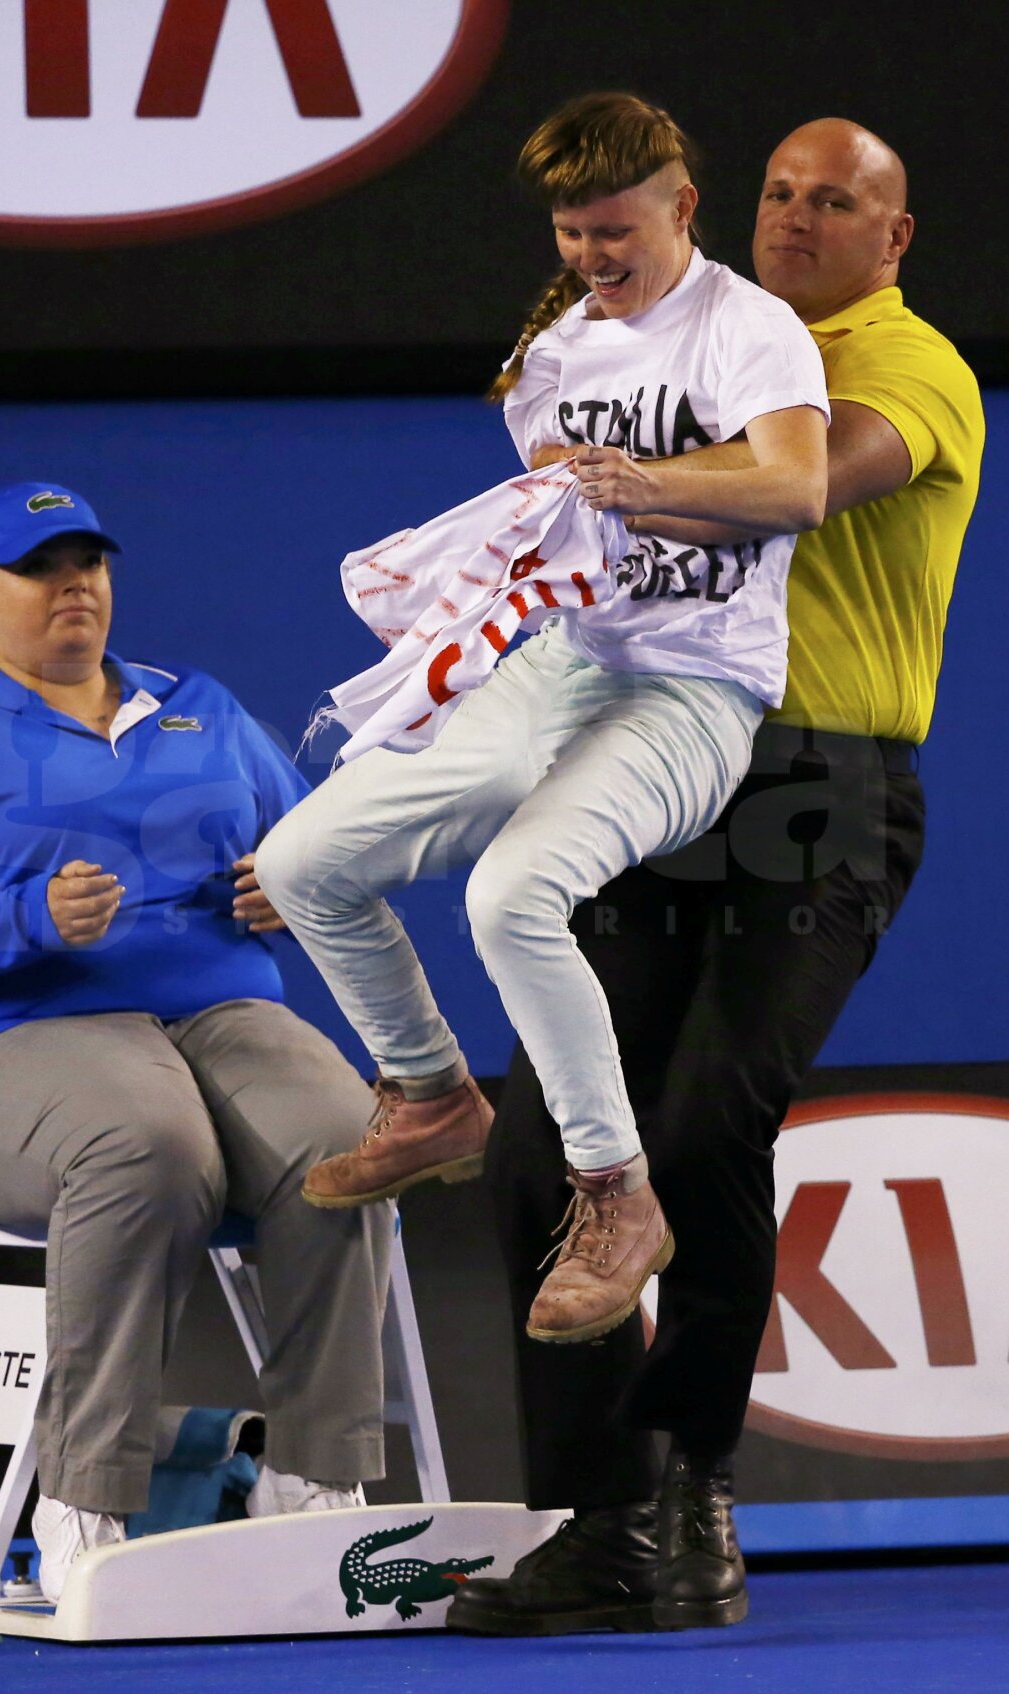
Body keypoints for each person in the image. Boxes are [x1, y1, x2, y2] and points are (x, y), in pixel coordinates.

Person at [447, 118, 984, 1636]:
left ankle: (693, 1491)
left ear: (895, 236)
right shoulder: (689, 333)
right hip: (656, 754)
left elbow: (810, 478)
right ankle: (601, 1520)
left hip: (821, 785)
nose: (801, 218)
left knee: (699, 1123)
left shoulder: (908, 360)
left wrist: (609, 469)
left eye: (840, 203)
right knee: (544, 1144)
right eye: (782, 195)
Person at [255, 93, 828, 1353]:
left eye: (614, 229)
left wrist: (649, 485)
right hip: (566, 657)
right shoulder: (559, 354)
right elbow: (570, 537)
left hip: (696, 687)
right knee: (303, 861)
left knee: (511, 896)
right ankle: (427, 1093)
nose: (591, 256)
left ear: (681, 206)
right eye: (572, 233)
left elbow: (797, 485)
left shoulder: (752, 329)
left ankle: (618, 1197)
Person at [0, 481, 394, 1603]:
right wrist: (25, 918)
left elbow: (316, 847)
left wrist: (289, 887)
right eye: (43, 568)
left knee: (345, 1137)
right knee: (146, 1140)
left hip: (219, 1018)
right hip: (12, 1033)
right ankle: (85, 1495)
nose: (75, 586)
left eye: (89, 563)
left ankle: (315, 1483)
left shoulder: (200, 707)